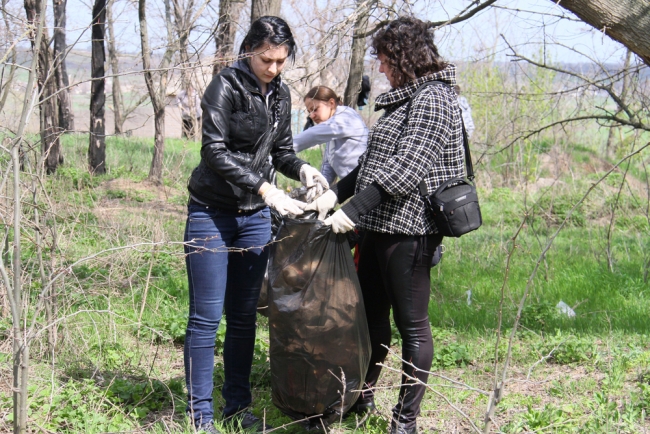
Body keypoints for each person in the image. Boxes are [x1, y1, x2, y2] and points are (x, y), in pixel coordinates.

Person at [306, 16, 465, 434]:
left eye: (383, 59)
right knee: (370, 317)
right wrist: (334, 194)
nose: (379, 67)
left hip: (411, 232)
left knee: (413, 326)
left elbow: (408, 168)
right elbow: (371, 164)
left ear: (403, 56)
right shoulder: (402, 100)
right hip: (378, 226)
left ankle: (404, 421)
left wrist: (352, 211)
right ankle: (361, 396)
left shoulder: (434, 98)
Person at [183, 16, 328, 434]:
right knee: (207, 317)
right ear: (249, 50)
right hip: (212, 211)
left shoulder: (280, 94)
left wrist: (302, 169)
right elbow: (213, 151)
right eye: (267, 60)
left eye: (281, 61)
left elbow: (281, 151)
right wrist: (266, 189)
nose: (274, 68)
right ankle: (200, 416)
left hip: (255, 218)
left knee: (244, 316)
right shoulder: (225, 86)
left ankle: (237, 408)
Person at [293, 86, 368, 184]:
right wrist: (318, 187)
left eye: (315, 109)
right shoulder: (332, 129)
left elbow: (313, 135)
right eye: (309, 112)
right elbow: (328, 167)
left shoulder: (346, 118)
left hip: (368, 186)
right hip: (354, 186)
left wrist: (281, 148)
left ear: (331, 103)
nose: (311, 115)